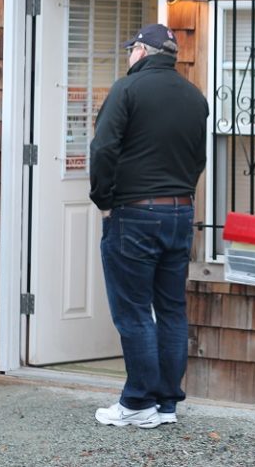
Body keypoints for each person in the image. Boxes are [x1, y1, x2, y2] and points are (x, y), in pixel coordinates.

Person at [89, 23, 208, 429]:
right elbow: (199, 159)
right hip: (179, 213)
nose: (128, 56)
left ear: (143, 51)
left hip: (134, 213)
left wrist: (104, 200)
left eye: (130, 49)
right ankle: (166, 404)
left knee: (135, 311)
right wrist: (181, 195)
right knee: (172, 310)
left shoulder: (127, 90)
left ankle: (138, 401)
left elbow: (103, 147)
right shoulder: (195, 97)